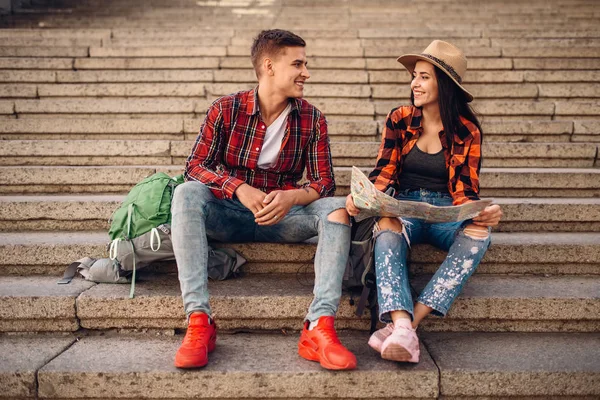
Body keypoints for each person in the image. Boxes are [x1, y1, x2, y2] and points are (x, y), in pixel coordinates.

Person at [171, 29, 357, 371]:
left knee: (335, 209)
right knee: (186, 193)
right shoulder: (225, 110)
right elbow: (194, 167)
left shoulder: (311, 119)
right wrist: (238, 187)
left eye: (306, 64)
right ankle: (199, 322)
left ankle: (319, 327)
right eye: (298, 64)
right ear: (269, 66)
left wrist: (292, 197)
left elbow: (325, 182)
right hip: (227, 214)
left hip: (283, 220)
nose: (306, 73)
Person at [346, 40, 503, 363]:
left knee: (478, 235)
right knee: (386, 224)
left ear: (444, 84)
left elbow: (465, 190)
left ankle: (407, 326)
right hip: (406, 206)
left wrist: (482, 213)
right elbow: (384, 172)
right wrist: (363, 198)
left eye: (424, 77)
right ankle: (402, 323)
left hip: (447, 210)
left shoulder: (467, 130)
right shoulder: (400, 119)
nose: (414, 84)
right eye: (414, 76)